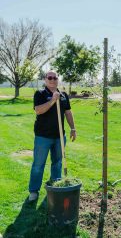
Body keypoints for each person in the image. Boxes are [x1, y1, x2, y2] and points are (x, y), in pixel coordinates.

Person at [28, 71, 76, 201]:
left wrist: (73, 128)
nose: (53, 80)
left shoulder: (64, 95)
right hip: (43, 136)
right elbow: (38, 110)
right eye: (50, 78)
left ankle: (55, 185)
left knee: (57, 163)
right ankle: (34, 191)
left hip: (59, 136)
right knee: (38, 165)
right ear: (45, 80)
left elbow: (68, 112)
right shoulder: (40, 94)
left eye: (55, 78)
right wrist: (53, 100)